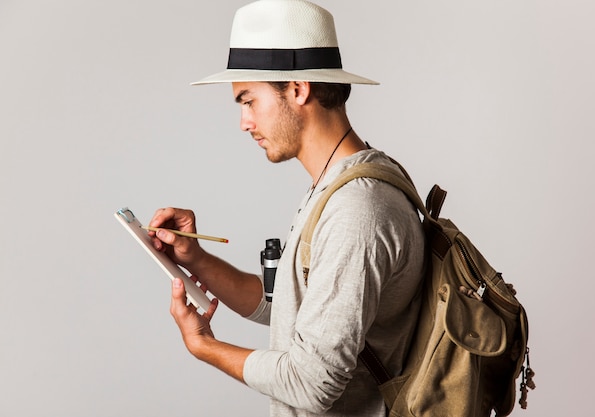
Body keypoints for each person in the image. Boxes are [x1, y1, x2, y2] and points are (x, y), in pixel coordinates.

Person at [148, 1, 425, 416]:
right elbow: (290, 311)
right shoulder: (340, 185)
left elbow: (311, 384)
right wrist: (196, 260)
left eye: (248, 100)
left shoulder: (358, 209)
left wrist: (204, 347)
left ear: (297, 89)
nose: (243, 122)